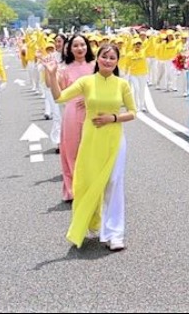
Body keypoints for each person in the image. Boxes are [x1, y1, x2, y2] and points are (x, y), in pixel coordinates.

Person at [45, 43, 136, 251]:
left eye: (113, 58)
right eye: (105, 56)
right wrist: (51, 76)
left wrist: (112, 118)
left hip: (114, 140)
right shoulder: (86, 82)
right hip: (91, 141)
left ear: (117, 62)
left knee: (114, 183)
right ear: (97, 59)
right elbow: (60, 97)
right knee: (89, 183)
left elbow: (133, 112)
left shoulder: (122, 84)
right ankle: (91, 222)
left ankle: (115, 234)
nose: (108, 60)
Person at [56, 34, 96, 202]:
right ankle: (73, 189)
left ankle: (94, 185)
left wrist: (90, 100)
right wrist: (51, 75)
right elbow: (58, 94)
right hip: (72, 113)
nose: (80, 49)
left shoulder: (96, 66)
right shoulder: (63, 69)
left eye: (83, 45)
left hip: (94, 112)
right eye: (76, 46)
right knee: (72, 150)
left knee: (94, 150)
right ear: (69, 49)